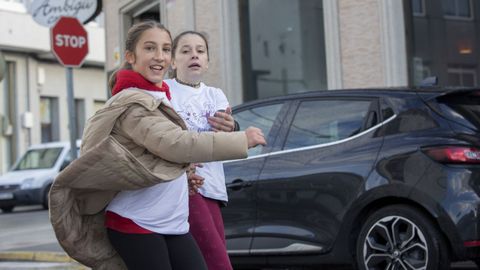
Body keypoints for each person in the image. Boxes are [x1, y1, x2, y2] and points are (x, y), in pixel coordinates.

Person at [48, 20, 266, 270]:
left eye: (165, 49)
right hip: (136, 223)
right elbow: (173, 144)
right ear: (130, 56)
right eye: (150, 48)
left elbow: (147, 156)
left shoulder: (161, 95)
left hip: (173, 223)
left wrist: (183, 175)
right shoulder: (133, 103)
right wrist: (240, 140)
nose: (159, 56)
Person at [163, 30, 237, 270]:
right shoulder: (165, 90)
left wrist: (232, 127)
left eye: (200, 51)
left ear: (207, 61)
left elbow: (223, 134)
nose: (194, 55)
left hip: (212, 187)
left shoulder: (215, 94)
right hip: (183, 186)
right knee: (216, 261)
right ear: (173, 61)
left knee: (208, 255)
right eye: (185, 51)